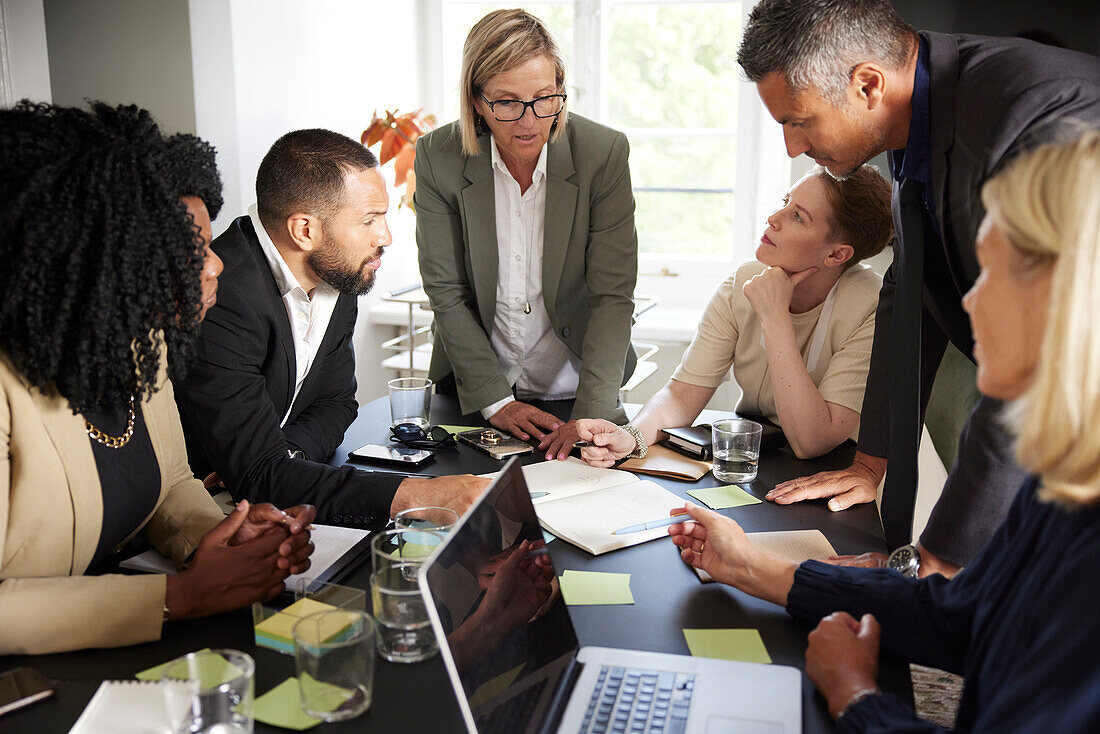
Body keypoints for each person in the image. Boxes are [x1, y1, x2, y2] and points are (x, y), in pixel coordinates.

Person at [670, 131, 1100, 732]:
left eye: (995, 275)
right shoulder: (1061, 487)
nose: (968, 306)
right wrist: (748, 565)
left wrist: (856, 697)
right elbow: (958, 615)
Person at [735, 0, 1100, 576]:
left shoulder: (1028, 116)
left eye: (797, 120)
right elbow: (908, 298)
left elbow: (1043, 358)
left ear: (867, 84)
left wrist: (936, 560)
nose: (791, 147)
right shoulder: (918, 117)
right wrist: (870, 462)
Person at [0, 101, 315, 655]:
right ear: (105, 265)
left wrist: (218, 539)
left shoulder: (142, 343)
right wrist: (181, 597)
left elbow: (169, 482)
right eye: (188, 254)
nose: (215, 264)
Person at [175, 129, 488, 528]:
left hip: (279, 493)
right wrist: (417, 495)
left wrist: (290, 456)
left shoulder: (335, 270)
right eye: (369, 220)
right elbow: (257, 478)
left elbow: (336, 403)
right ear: (305, 230)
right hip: (198, 518)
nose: (386, 236)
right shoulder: (222, 296)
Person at [415, 9, 639, 460]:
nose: (529, 121)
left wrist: (592, 415)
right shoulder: (438, 156)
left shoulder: (602, 153)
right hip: (478, 394)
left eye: (544, 98)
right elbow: (446, 292)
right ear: (476, 101)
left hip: (576, 390)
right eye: (507, 102)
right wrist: (495, 400)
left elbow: (612, 295)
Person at [576, 165, 891, 465]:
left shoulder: (871, 307)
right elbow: (682, 395)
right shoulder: (744, 282)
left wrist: (775, 317)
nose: (773, 217)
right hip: (757, 453)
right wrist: (632, 439)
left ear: (836, 254)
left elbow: (811, 443)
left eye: (797, 216)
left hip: (831, 471)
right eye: (785, 202)